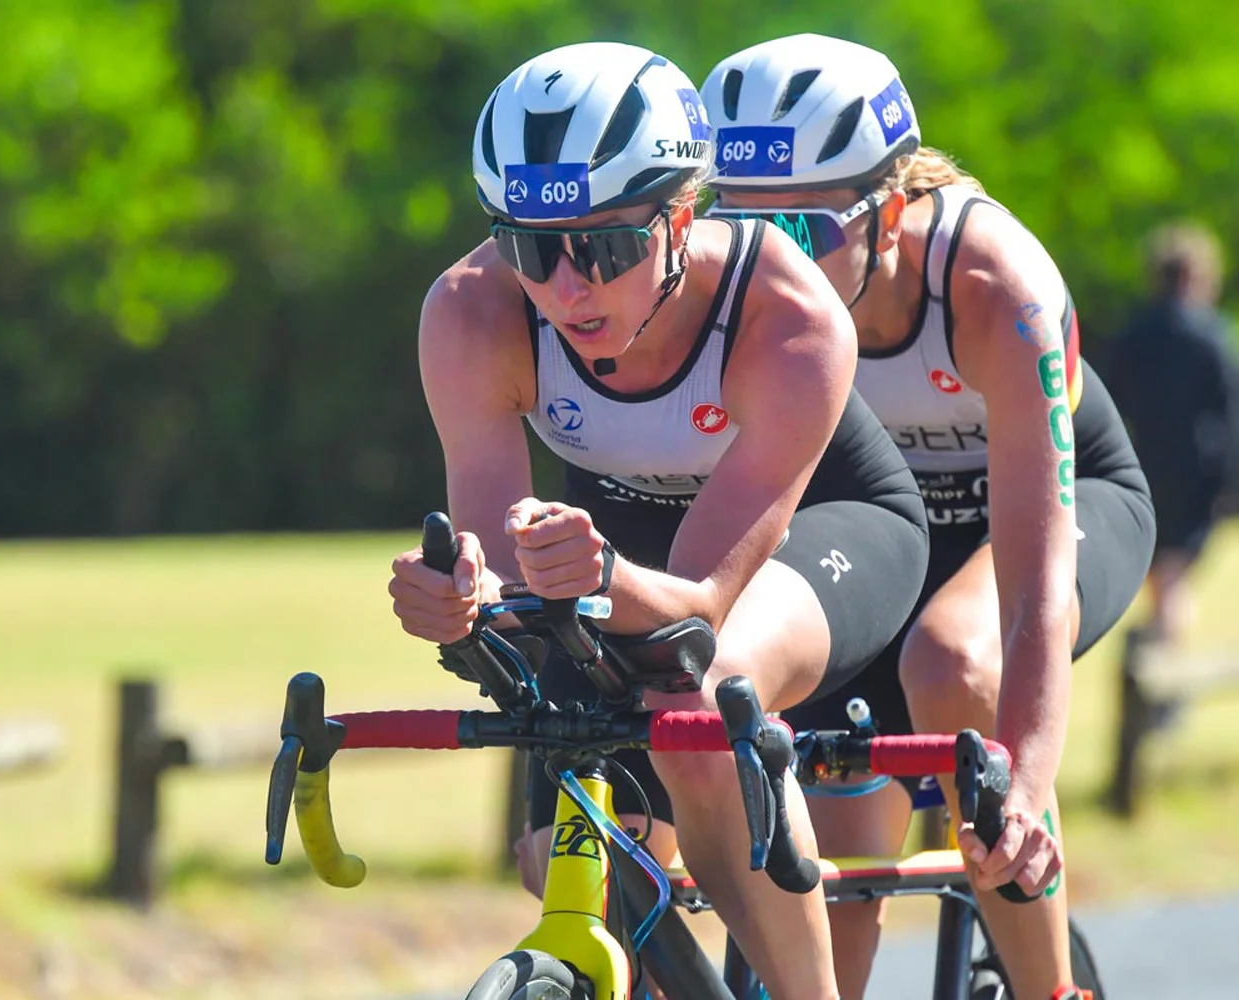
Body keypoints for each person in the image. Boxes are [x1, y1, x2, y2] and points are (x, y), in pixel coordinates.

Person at [387, 41, 932, 1000]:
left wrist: (595, 578)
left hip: (823, 527)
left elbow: (702, 600)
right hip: (612, 551)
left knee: (701, 698)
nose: (564, 287)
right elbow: (502, 570)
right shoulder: (470, 314)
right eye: (530, 247)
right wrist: (458, 597)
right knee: (559, 852)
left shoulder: (788, 315)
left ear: (682, 217)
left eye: (602, 247)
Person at [700, 34, 1156, 1000]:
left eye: (806, 230)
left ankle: (1047, 989)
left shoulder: (997, 288)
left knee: (953, 661)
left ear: (894, 211)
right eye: (741, 226)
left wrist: (1024, 783)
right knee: (828, 858)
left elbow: (1035, 591)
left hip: (1041, 515)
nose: (771, 260)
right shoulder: (732, 294)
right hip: (875, 532)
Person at [1104, 222, 1239, 646]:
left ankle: (1159, 669)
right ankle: (1167, 679)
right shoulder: (1215, 336)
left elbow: (1108, 406)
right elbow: (1236, 421)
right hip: (1196, 477)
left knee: (1163, 576)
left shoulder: (1134, 334)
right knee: (1173, 580)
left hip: (1143, 467)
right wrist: (1233, 485)